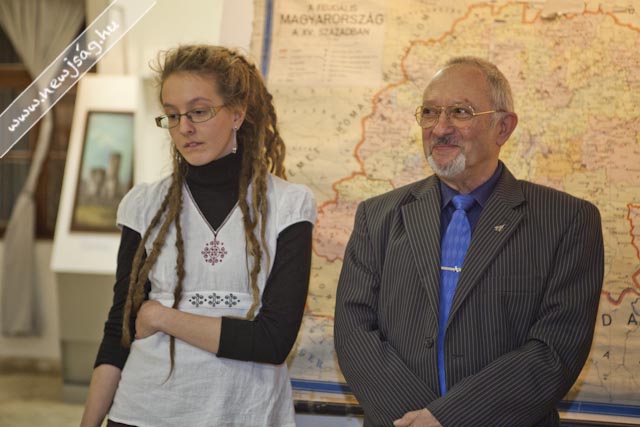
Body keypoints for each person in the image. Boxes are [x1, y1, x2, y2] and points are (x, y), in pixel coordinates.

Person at [334, 56, 604, 427]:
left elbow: (555, 350)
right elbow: (354, 333)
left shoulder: (566, 221)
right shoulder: (377, 216)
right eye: (430, 112)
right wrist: (418, 421)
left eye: (460, 112)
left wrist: (448, 419)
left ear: (503, 127)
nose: (440, 128)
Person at [80, 44, 317, 427]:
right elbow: (118, 333)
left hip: (245, 414)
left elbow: (272, 342)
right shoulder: (144, 204)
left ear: (237, 113)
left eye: (199, 111)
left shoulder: (288, 206)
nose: (184, 128)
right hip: (141, 412)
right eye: (172, 115)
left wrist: (161, 316)